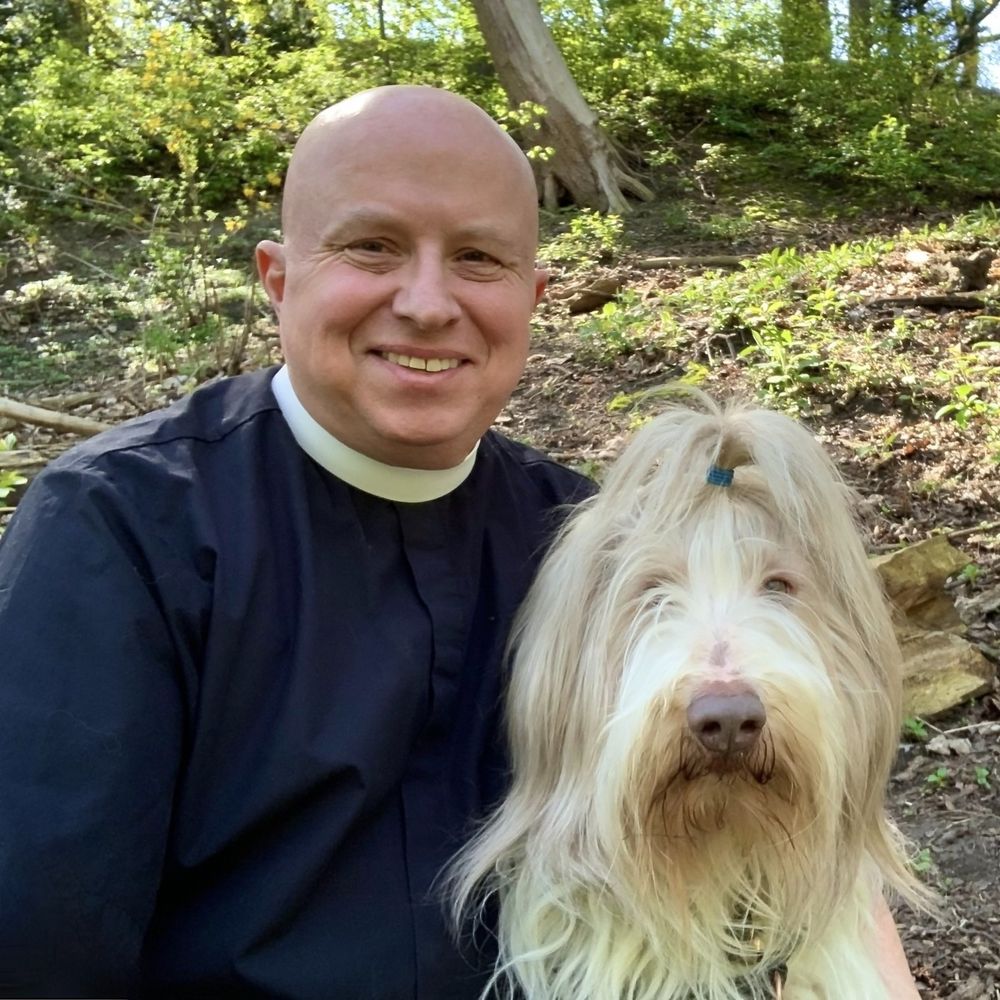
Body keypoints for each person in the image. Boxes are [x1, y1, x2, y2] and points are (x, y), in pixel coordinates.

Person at [0, 86, 921, 1000]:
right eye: (373, 247)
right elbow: (41, 944)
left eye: (478, 258)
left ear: (533, 295)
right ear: (278, 278)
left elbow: (785, 800)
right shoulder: (119, 526)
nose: (429, 302)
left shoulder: (590, 535)